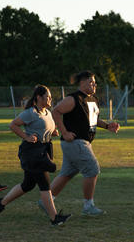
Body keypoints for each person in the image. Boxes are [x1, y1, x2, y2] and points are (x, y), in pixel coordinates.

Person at [0, 85, 71, 226]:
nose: (50, 99)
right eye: (47, 96)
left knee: (28, 185)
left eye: (51, 97)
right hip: (32, 152)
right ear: (38, 97)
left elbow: (46, 128)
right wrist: (26, 136)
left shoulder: (47, 112)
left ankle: (1, 202)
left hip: (42, 150)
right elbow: (13, 125)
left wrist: (52, 132)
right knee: (44, 184)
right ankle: (54, 218)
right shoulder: (31, 112)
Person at [48, 70, 120, 215]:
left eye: (95, 82)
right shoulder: (73, 98)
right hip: (76, 142)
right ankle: (88, 206)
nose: (94, 84)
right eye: (91, 82)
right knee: (92, 169)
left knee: (67, 173)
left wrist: (107, 126)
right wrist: (65, 132)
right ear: (82, 82)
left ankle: (46, 201)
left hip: (83, 142)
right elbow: (55, 111)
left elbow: (92, 120)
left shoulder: (92, 99)